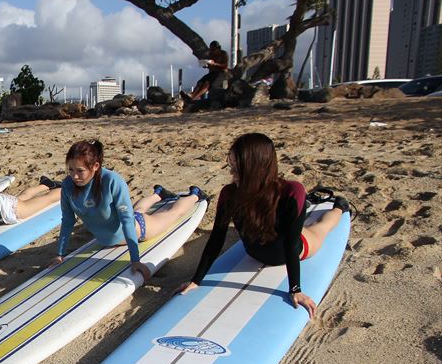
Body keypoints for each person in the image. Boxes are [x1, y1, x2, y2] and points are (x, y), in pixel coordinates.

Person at [176, 132, 350, 318]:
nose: (231, 172)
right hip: (256, 251)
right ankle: (302, 209)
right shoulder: (229, 193)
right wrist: (196, 280)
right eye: (231, 164)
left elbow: (291, 244)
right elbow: (217, 238)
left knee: (321, 227)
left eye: (237, 167)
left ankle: (340, 208)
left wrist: (295, 289)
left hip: (297, 248)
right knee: (281, 220)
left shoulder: (291, 191)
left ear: (256, 167)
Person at [53, 140, 206, 281]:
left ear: (95, 166)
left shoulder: (112, 180)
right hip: (114, 234)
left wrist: (135, 260)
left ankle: (195, 195)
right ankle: (158, 194)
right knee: (136, 210)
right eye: (71, 170)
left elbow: (127, 220)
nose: (74, 176)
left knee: (171, 214)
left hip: (139, 229)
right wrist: (60, 255)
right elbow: (67, 220)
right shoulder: (67, 185)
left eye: (80, 171)